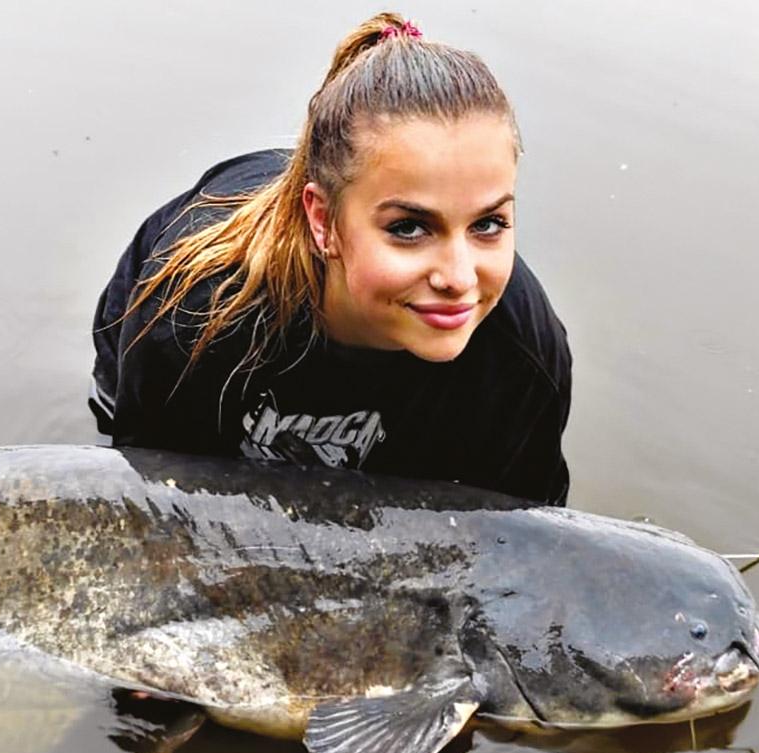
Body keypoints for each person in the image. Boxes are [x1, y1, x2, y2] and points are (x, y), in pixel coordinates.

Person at [89, 12, 572, 505]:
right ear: (323, 221)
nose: (459, 278)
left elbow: (525, 533)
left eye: (488, 224)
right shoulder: (195, 315)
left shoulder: (524, 358)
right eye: (408, 228)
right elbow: (156, 508)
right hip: (165, 316)